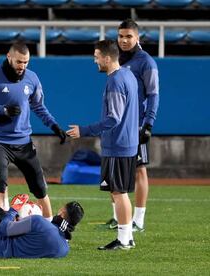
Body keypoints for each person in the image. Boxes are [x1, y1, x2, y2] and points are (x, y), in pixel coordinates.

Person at [0, 42, 67, 220]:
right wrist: (1, 110)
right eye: (19, 62)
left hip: (23, 141)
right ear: (9, 57)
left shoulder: (32, 78)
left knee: (40, 187)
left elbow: (39, 107)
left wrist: (54, 126)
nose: (22, 66)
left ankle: (50, 228)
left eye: (26, 62)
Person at [66, 40, 138, 250]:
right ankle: (127, 237)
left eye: (97, 56)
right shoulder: (128, 75)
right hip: (125, 144)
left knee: (118, 192)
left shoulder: (115, 81)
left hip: (118, 145)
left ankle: (124, 240)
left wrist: (84, 130)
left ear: (107, 58)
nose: (94, 60)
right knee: (118, 191)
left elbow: (113, 118)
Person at [105, 19, 160, 231]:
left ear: (138, 38)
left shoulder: (146, 62)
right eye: (121, 36)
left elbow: (153, 94)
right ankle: (118, 217)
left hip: (136, 125)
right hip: (117, 125)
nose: (124, 40)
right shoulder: (116, 59)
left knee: (139, 170)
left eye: (129, 36)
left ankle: (138, 220)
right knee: (113, 169)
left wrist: (149, 123)